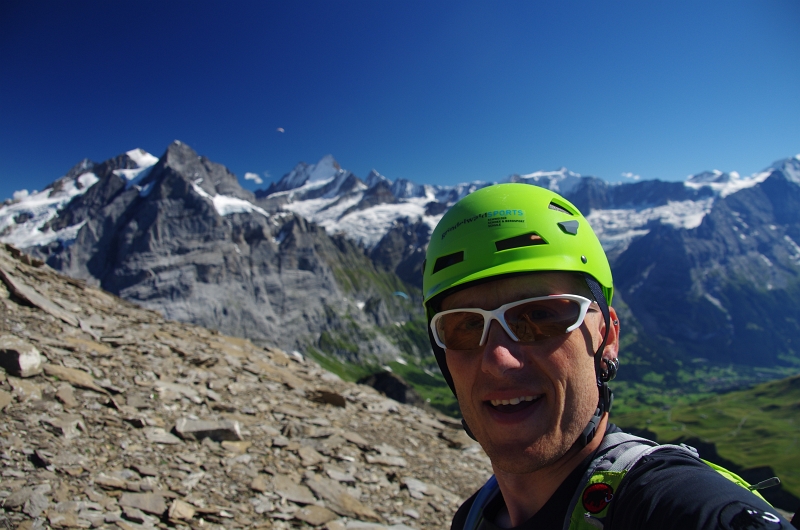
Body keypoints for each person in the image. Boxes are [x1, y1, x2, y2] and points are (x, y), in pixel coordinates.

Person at [422, 183, 794, 529]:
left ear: (608, 336)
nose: (499, 359)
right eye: (465, 327)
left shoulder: (669, 503)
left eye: (539, 316)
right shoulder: (474, 516)